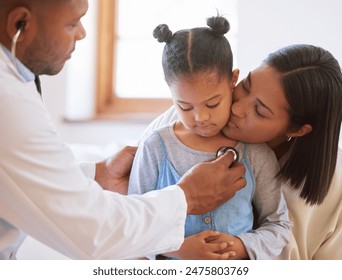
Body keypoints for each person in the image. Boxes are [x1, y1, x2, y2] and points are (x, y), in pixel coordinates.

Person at [0, 0, 247, 260]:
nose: (83, 33)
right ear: (20, 24)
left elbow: (25, 172)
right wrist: (186, 197)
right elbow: (93, 234)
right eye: (72, 23)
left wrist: (98, 174)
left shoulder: (13, 84)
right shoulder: (8, 101)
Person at [143, 44, 342, 259]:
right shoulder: (188, 118)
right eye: (246, 86)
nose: (236, 109)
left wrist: (237, 247)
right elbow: (127, 217)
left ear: (296, 129)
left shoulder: (333, 188)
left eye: (259, 111)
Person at [128, 16, 291, 260]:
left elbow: (279, 226)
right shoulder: (155, 147)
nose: (200, 117)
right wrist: (178, 248)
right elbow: (131, 224)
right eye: (184, 106)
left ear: (233, 80)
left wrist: (240, 246)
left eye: (213, 103)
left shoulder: (255, 154)